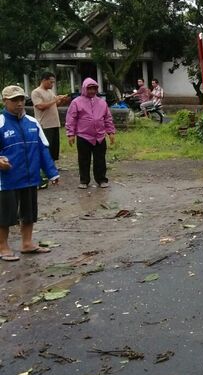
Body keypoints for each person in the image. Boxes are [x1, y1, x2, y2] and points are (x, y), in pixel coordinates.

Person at [0, 85, 59, 262]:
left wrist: (52, 173)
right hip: (6, 180)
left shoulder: (33, 123)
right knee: (5, 215)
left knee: (29, 213)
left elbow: (43, 150)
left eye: (21, 100)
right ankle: (3, 246)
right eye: (14, 100)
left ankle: (27, 243)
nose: (19, 104)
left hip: (30, 178)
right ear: (5, 101)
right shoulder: (1, 123)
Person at [65, 78, 116, 189]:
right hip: (83, 136)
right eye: (89, 89)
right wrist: (70, 134)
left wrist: (111, 132)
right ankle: (84, 180)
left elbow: (107, 118)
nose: (92, 91)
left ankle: (101, 179)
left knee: (100, 159)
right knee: (83, 159)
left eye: (94, 88)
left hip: (100, 136)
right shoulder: (76, 102)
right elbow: (71, 118)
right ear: (84, 89)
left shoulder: (102, 102)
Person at [31, 72, 67, 165]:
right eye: (51, 82)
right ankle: (45, 166)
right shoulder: (36, 92)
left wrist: (61, 101)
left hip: (55, 123)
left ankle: (52, 165)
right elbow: (40, 106)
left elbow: (54, 105)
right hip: (45, 124)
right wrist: (54, 100)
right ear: (44, 80)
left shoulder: (50, 92)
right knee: (46, 146)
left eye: (53, 82)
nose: (52, 84)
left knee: (54, 147)